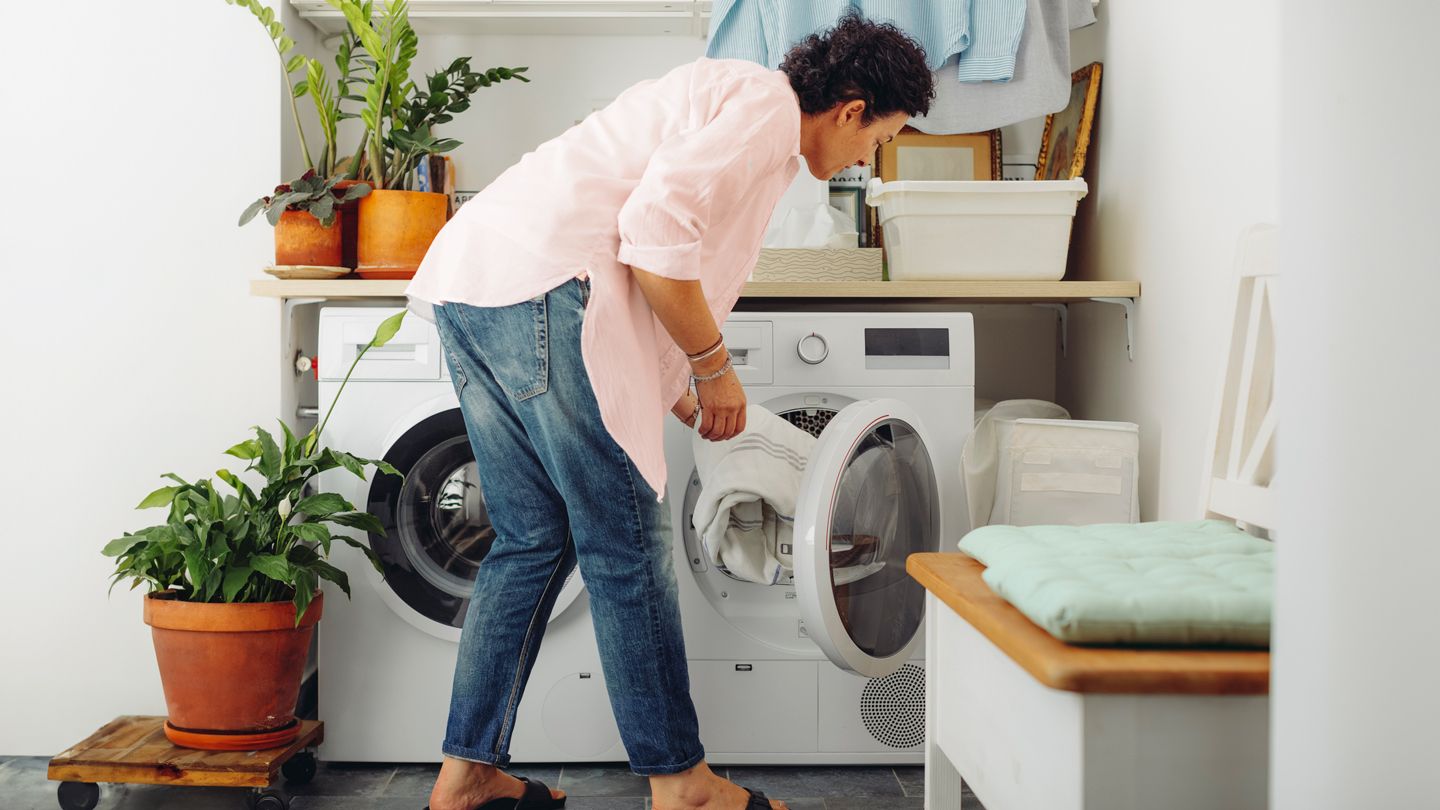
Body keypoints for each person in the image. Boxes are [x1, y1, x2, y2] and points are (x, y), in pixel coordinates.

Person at [405, 10, 934, 810]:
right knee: (623, 541)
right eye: (881, 137)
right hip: (539, 289)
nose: (871, 155)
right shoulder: (765, 107)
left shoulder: (745, 113)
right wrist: (714, 367)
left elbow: (645, 270)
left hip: (475, 284)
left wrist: (681, 389)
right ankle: (681, 781)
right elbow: (650, 234)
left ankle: (469, 769)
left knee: (530, 538)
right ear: (852, 108)